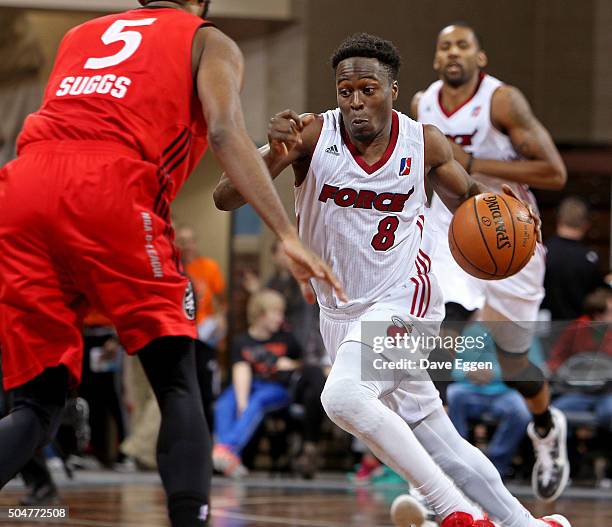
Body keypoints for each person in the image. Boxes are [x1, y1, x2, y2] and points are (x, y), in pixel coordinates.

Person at [0, 2, 344, 526]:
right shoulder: (207, 39)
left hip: (21, 188)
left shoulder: (79, 34)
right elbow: (226, 133)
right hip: (109, 185)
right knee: (178, 382)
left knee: (38, 402)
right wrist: (286, 234)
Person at [214, 32, 570, 527]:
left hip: (407, 303)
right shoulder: (312, 135)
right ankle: (527, 524)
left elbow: (472, 205)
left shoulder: (424, 143)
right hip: (341, 314)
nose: (356, 102)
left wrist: (507, 213)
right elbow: (226, 196)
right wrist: (273, 152)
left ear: (393, 89)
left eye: (368, 89)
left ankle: (453, 513)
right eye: (346, 92)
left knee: (342, 397)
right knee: (434, 434)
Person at [412, 22, 569, 502]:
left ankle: (545, 427)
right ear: (437, 60)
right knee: (441, 339)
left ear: (480, 58)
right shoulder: (422, 104)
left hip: (508, 234)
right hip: (450, 233)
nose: (453, 52)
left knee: (513, 361)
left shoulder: (503, 101)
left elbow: (554, 172)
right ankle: (433, 475)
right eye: (445, 47)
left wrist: (472, 162)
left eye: (463, 45)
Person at [213, 289, 325, 478]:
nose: (280, 318)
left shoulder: (286, 338)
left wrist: (290, 364)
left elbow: (304, 366)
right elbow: (241, 371)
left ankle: (227, 450)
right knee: (224, 403)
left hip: (278, 389)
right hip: (251, 385)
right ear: (261, 315)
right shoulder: (242, 341)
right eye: (276, 313)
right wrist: (241, 402)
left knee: (257, 402)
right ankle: (224, 451)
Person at [446, 322, 542, 478]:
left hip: (507, 391)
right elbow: (450, 366)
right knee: (451, 395)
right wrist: (467, 371)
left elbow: (536, 367)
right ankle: (459, 460)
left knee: (521, 412)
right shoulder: (469, 328)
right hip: (470, 389)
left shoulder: (524, 331)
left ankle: (496, 466)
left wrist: (495, 373)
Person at [543, 197, 606, 321]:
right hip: (580, 329)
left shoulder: (542, 252)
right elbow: (597, 297)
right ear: (586, 224)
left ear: (558, 220)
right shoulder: (589, 258)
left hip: (544, 328)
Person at [176, 224, 227, 346]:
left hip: (204, 328)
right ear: (175, 244)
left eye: (191, 241)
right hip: (179, 328)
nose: (187, 246)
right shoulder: (171, 268)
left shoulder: (210, 266)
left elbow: (223, 299)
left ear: (195, 243)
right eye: (182, 242)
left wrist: (220, 316)